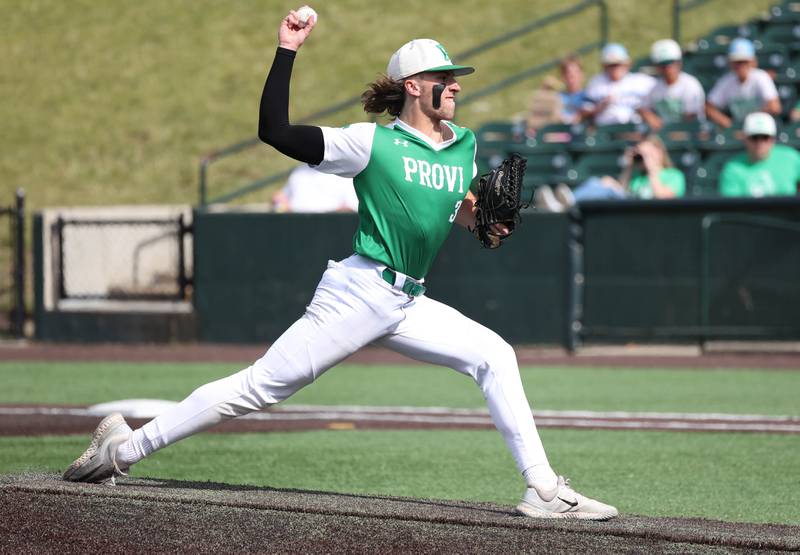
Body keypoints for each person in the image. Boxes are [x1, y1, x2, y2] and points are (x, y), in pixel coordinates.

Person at [62, 9, 618, 521]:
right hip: (360, 291)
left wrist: (484, 221)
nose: (455, 84)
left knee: (495, 355)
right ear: (412, 86)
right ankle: (125, 447)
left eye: (456, 77)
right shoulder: (368, 144)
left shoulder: (464, 145)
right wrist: (287, 50)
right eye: (443, 77)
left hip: (407, 300)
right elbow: (274, 132)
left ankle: (542, 489)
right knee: (259, 388)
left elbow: (455, 210)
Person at [535, 134, 685, 210]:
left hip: (650, 213)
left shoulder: (674, 175)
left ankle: (567, 203)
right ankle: (565, 204)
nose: (643, 158)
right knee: (602, 182)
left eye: (647, 153)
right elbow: (622, 190)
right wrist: (629, 167)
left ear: (659, 153)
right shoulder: (637, 176)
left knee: (607, 186)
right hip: (627, 211)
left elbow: (663, 199)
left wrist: (653, 169)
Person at [719, 112, 800, 197]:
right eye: (754, 137)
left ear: (772, 139)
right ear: (745, 139)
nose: (759, 143)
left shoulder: (791, 157)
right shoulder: (733, 168)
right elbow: (732, 206)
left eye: (765, 137)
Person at [706, 38, 781, 128]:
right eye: (737, 62)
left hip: (761, 126)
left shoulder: (761, 77)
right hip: (738, 129)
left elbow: (775, 107)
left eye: (744, 61)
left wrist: (751, 119)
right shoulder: (726, 81)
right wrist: (725, 122)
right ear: (731, 63)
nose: (741, 66)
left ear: (753, 62)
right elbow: (708, 107)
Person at [639, 39, 706, 131]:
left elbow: (690, 119)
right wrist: (650, 117)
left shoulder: (690, 85)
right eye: (663, 64)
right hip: (665, 136)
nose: (668, 68)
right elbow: (643, 108)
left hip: (690, 135)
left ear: (679, 63)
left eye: (671, 63)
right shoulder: (656, 87)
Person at [582, 43, 656, 126]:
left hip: (636, 130)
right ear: (604, 66)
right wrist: (600, 107)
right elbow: (584, 113)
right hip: (605, 132)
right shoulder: (596, 82)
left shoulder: (643, 81)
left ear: (627, 64)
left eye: (618, 64)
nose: (615, 68)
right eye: (611, 65)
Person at [272, 163, 358, 212]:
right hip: (296, 225)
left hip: (329, 228)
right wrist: (280, 199)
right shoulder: (300, 170)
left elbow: (350, 207)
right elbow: (282, 196)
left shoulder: (343, 173)